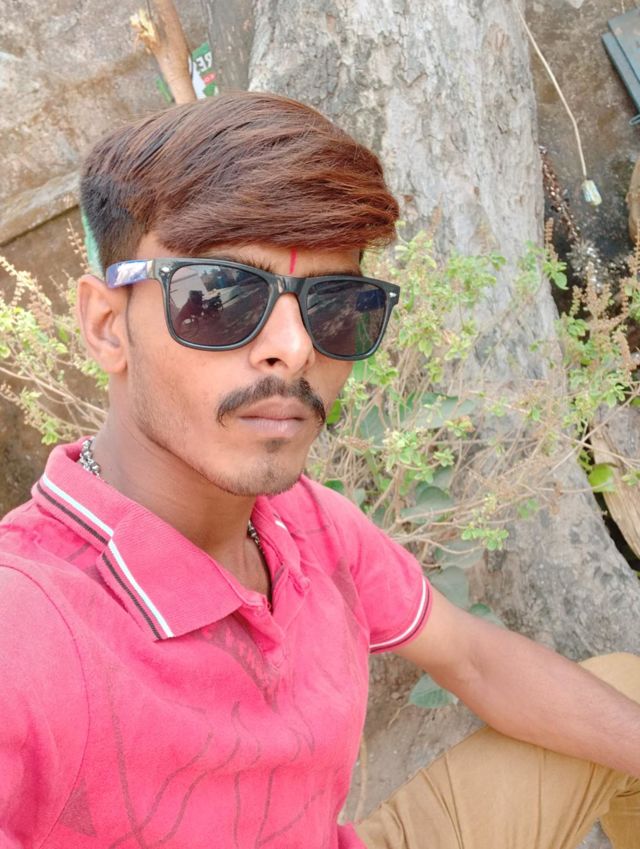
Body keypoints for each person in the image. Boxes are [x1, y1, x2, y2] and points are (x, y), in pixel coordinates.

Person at [0, 91, 638, 849]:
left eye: (336, 305)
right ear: (109, 325)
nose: (296, 348)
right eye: (218, 298)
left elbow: (473, 658)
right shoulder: (32, 629)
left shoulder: (303, 522)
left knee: (623, 691)